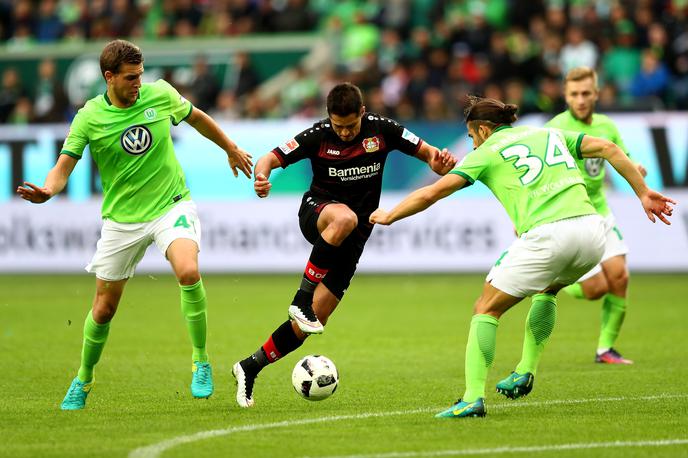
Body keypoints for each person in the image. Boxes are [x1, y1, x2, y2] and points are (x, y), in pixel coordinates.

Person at [370, 96, 674, 418]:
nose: (472, 145)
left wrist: (390, 215)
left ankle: (472, 397)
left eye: (472, 138)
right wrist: (643, 192)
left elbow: (431, 192)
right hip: (593, 233)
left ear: (483, 130)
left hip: (549, 237)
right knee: (548, 289)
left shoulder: (487, 152)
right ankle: (525, 369)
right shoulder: (548, 134)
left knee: (485, 308)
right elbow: (608, 149)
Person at [16, 39, 253, 410]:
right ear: (108, 77)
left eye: (140, 75)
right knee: (103, 309)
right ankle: (84, 378)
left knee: (188, 271)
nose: (138, 83)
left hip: (170, 205)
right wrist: (49, 189)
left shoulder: (159, 95)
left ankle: (201, 362)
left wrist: (230, 147)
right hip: (122, 221)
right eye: (130, 78)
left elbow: (198, 117)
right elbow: (63, 166)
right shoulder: (89, 117)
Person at [231, 82, 456, 408]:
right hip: (319, 214)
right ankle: (301, 297)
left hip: (353, 239)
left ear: (362, 113)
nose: (346, 133)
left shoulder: (383, 130)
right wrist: (262, 177)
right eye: (339, 126)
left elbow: (429, 154)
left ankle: (249, 366)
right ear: (329, 118)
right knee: (345, 219)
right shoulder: (318, 135)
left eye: (351, 126)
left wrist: (439, 162)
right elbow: (270, 158)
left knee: (310, 324)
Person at [546, 66, 646, 364]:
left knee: (620, 276)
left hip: (600, 210)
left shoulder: (606, 126)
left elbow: (622, 158)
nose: (580, 99)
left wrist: (635, 169)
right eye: (574, 94)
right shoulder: (554, 128)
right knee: (594, 289)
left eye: (586, 93)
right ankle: (555, 281)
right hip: (570, 214)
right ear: (565, 95)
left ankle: (605, 349)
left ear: (596, 94)